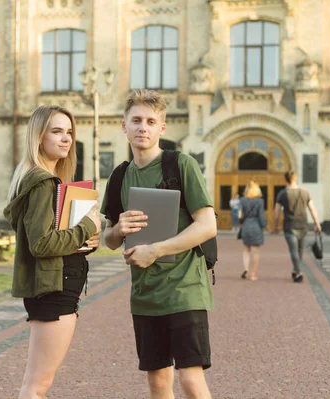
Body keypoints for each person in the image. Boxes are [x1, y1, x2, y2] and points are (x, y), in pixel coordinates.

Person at [101, 89, 217, 399]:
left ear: (162, 128)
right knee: (158, 384)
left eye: (151, 121)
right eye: (136, 120)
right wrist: (118, 230)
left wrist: (158, 250)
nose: (143, 127)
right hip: (145, 295)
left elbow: (207, 225)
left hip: (185, 290)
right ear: (124, 126)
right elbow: (109, 239)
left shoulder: (181, 165)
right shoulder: (118, 177)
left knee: (191, 382)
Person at [3, 105, 102, 399]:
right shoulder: (44, 183)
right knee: (37, 387)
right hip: (54, 290)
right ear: (38, 137)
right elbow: (41, 244)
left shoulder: (38, 179)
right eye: (57, 131)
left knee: (34, 384)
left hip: (52, 287)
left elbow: (46, 238)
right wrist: (86, 226)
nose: (66, 139)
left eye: (69, 132)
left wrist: (84, 241)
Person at [272, 170, 322, 283]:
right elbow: (312, 208)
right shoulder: (305, 192)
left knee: (293, 250)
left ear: (285, 179)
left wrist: (275, 225)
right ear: (296, 178)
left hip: (289, 225)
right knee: (300, 250)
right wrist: (317, 223)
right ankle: (296, 270)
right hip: (303, 225)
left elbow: (276, 212)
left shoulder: (282, 193)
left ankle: (298, 272)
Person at [238, 182, 267, 281]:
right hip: (256, 226)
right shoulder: (259, 202)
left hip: (246, 226)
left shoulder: (242, 200)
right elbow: (261, 216)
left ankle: (246, 268)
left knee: (246, 249)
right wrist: (264, 225)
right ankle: (253, 274)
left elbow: (240, 214)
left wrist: (240, 222)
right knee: (256, 251)